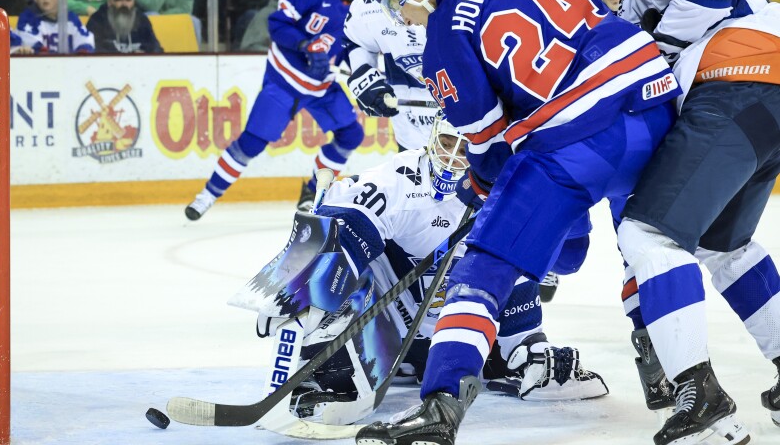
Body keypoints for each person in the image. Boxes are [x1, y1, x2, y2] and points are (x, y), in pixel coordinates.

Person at [355, 0, 681, 445]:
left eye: (397, 1)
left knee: (484, 265)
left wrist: (482, 195)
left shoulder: (443, 45)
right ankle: (669, 364)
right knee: (647, 243)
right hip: (653, 90)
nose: (403, 18)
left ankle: (441, 404)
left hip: (576, 138)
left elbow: (489, 151)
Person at [245, 113, 606, 425]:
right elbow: (345, 224)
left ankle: (521, 351)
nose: (452, 158)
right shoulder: (403, 179)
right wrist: (301, 277)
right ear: (432, 136)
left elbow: (569, 260)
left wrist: (559, 206)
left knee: (514, 255)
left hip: (471, 343)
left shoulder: (519, 190)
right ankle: (330, 372)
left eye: (466, 150)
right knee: (344, 273)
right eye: (447, 143)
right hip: (399, 329)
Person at [605, 0, 780, 441]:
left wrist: (654, 50)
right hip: (763, 83)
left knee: (646, 234)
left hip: (737, 79)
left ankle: (701, 397)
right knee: (723, 247)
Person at [185, 0, 364, 220]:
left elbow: (352, 51)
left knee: (351, 134)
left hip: (321, 86)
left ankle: (312, 191)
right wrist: (304, 45)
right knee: (253, 142)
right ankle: (207, 195)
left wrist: (356, 71)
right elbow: (277, 24)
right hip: (284, 80)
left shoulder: (360, 6)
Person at [343, 0, 436, 151]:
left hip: (465, 133)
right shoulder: (373, 4)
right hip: (408, 132)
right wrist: (365, 79)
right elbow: (356, 39)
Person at [14, 0, 95, 54]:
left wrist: (81, 54)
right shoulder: (27, 18)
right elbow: (34, 48)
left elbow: (85, 42)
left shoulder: (71, 18)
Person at [86, 0, 162, 54]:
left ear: (134, 2)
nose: (124, 4)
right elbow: (91, 48)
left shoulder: (142, 20)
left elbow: (156, 48)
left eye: (128, 0)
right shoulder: (98, 19)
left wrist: (144, 54)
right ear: (110, 2)